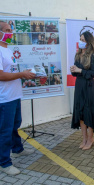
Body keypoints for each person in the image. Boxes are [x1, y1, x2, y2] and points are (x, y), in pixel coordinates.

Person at [0, 21, 36, 175]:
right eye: (7, 30)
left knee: (15, 126)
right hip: (5, 98)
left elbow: (11, 71)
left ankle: (17, 149)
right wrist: (22, 74)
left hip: (15, 95)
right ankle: (4, 163)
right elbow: (1, 75)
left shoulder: (8, 49)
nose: (11, 33)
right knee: (5, 131)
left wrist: (24, 72)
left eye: (11, 29)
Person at [70, 31, 94, 150]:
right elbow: (75, 73)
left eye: (83, 40)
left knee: (88, 112)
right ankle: (83, 139)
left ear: (88, 42)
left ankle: (90, 139)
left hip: (88, 87)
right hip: (79, 86)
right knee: (80, 113)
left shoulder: (93, 56)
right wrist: (73, 70)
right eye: (80, 39)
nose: (81, 42)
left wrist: (80, 71)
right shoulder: (78, 55)